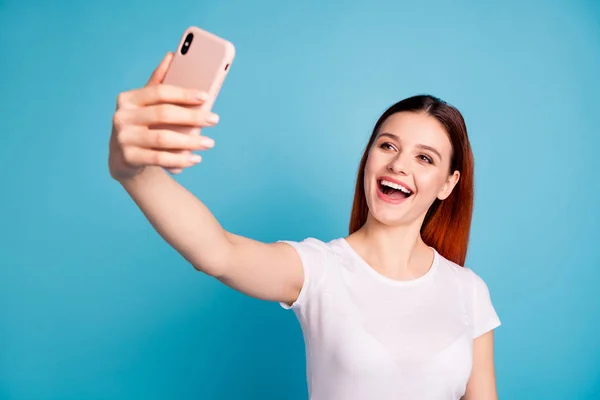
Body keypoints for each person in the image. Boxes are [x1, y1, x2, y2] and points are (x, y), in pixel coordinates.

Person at [109, 52, 501, 400]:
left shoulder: (469, 292)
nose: (399, 165)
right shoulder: (321, 268)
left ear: (449, 184)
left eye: (425, 158)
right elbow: (219, 253)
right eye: (388, 146)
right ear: (368, 159)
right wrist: (135, 173)